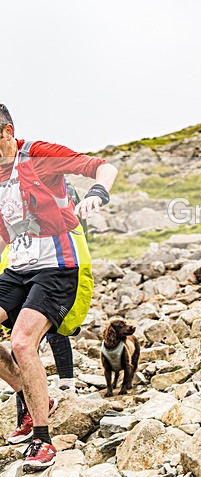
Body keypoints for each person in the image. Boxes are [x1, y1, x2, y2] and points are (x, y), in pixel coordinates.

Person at [0, 104, 116, 471]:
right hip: (18, 268)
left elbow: (103, 167)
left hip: (58, 266)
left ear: (6, 133)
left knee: (22, 343)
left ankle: (43, 440)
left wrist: (97, 192)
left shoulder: (38, 154)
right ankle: (32, 397)